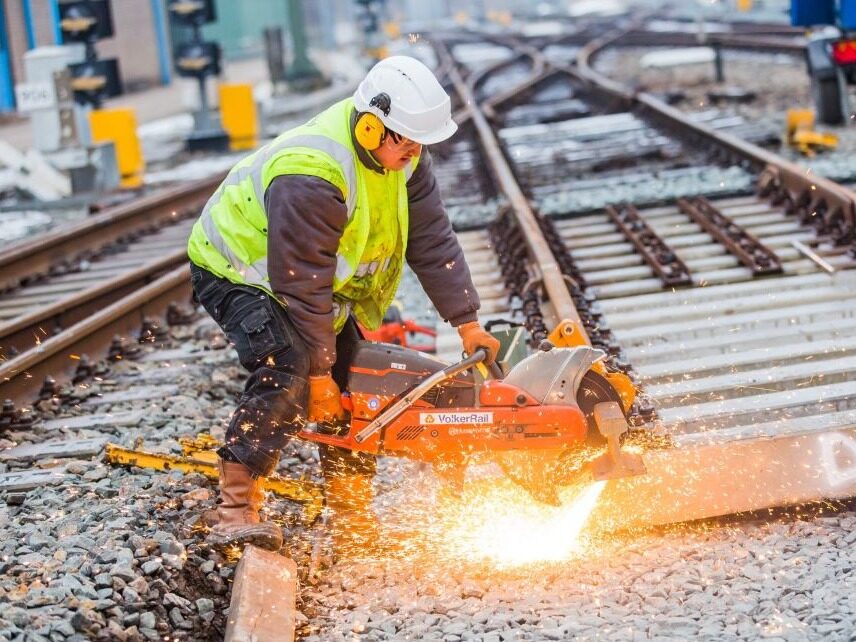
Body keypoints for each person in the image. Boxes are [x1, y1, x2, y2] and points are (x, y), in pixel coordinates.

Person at [186, 55, 500, 553]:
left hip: (304, 279)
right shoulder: (311, 173)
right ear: (373, 127)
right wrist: (316, 376)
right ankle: (234, 509)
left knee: (358, 381)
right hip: (239, 272)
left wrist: (467, 323)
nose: (417, 152)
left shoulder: (405, 157)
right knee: (288, 370)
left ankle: (352, 521)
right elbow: (300, 283)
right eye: (409, 141)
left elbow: (432, 237)